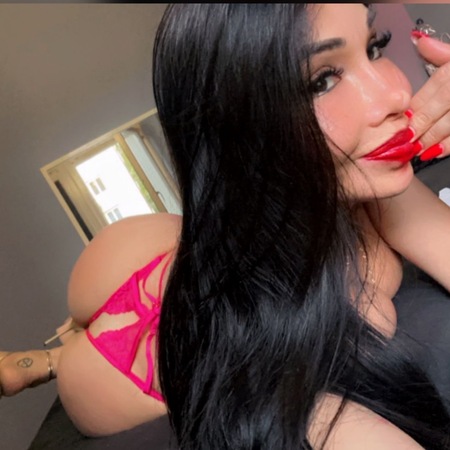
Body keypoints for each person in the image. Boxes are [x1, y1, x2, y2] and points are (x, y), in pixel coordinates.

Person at [1, 3, 450, 448]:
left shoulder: (382, 196)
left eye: (374, 47)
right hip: (130, 312)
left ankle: (53, 359)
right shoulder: (352, 311)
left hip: (143, 271)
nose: (396, 95)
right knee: (84, 356)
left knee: (75, 356)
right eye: (322, 81)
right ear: (238, 125)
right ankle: (59, 356)